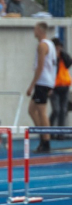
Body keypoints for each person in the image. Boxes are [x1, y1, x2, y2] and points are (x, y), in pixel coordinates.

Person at [28, 21, 57, 153]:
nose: (34, 31)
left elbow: (40, 67)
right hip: (46, 81)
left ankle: (46, 140)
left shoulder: (42, 46)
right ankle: (43, 135)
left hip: (42, 82)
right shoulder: (51, 44)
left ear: (40, 30)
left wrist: (32, 85)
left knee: (41, 112)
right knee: (31, 110)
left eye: (35, 29)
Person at [52, 37, 71, 129]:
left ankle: (61, 132)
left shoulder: (63, 56)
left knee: (63, 110)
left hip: (65, 85)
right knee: (56, 110)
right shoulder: (52, 57)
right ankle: (49, 130)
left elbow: (69, 63)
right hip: (55, 87)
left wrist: (62, 53)